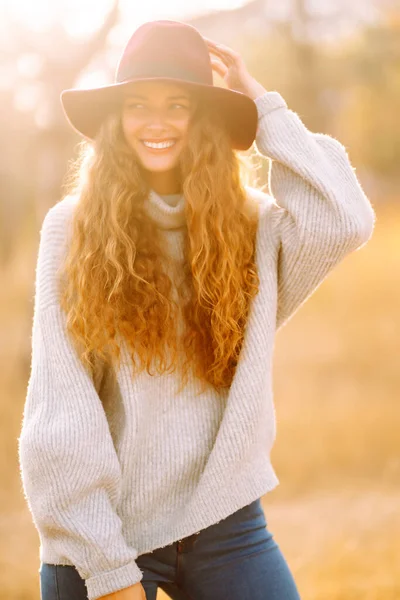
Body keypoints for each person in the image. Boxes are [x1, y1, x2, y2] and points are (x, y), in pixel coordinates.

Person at [18, 19, 375, 600]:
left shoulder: (251, 228)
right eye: (138, 104)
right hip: (104, 531)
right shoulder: (73, 229)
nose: (156, 122)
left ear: (204, 118)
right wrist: (110, 573)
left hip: (226, 525)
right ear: (116, 118)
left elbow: (344, 219)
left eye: (177, 104)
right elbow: (61, 416)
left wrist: (263, 108)